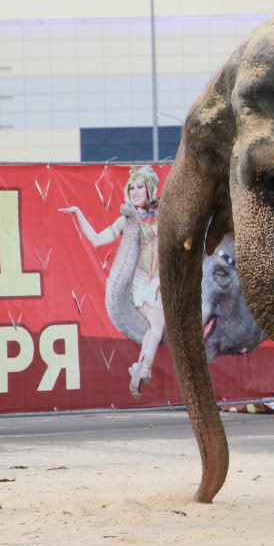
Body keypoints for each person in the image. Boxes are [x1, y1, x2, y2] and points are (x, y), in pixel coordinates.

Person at [61, 165, 165, 399]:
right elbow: (98, 240)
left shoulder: (164, 214)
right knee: (157, 326)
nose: (135, 191)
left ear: (150, 189)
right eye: (132, 187)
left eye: (140, 186)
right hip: (141, 283)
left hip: (162, 280)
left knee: (155, 328)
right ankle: (143, 367)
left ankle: (141, 366)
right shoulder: (126, 220)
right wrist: (78, 213)